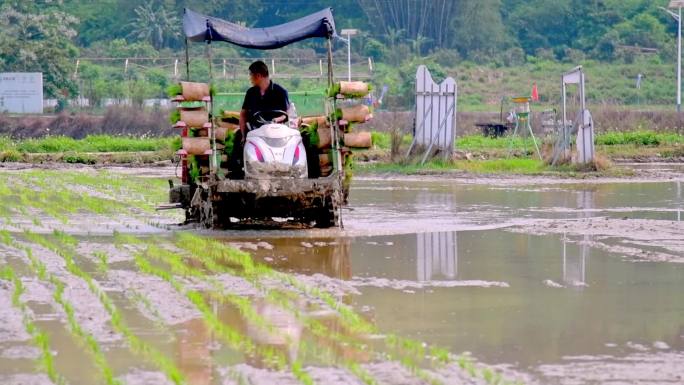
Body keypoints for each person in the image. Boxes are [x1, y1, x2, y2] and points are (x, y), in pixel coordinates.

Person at [231, 61, 290, 178]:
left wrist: (276, 120)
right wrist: (243, 135)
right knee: (237, 140)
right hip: (255, 131)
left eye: (251, 75)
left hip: (277, 133)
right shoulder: (251, 93)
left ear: (258, 75)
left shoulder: (280, 92)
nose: (250, 78)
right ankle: (237, 174)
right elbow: (243, 114)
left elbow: (286, 114)